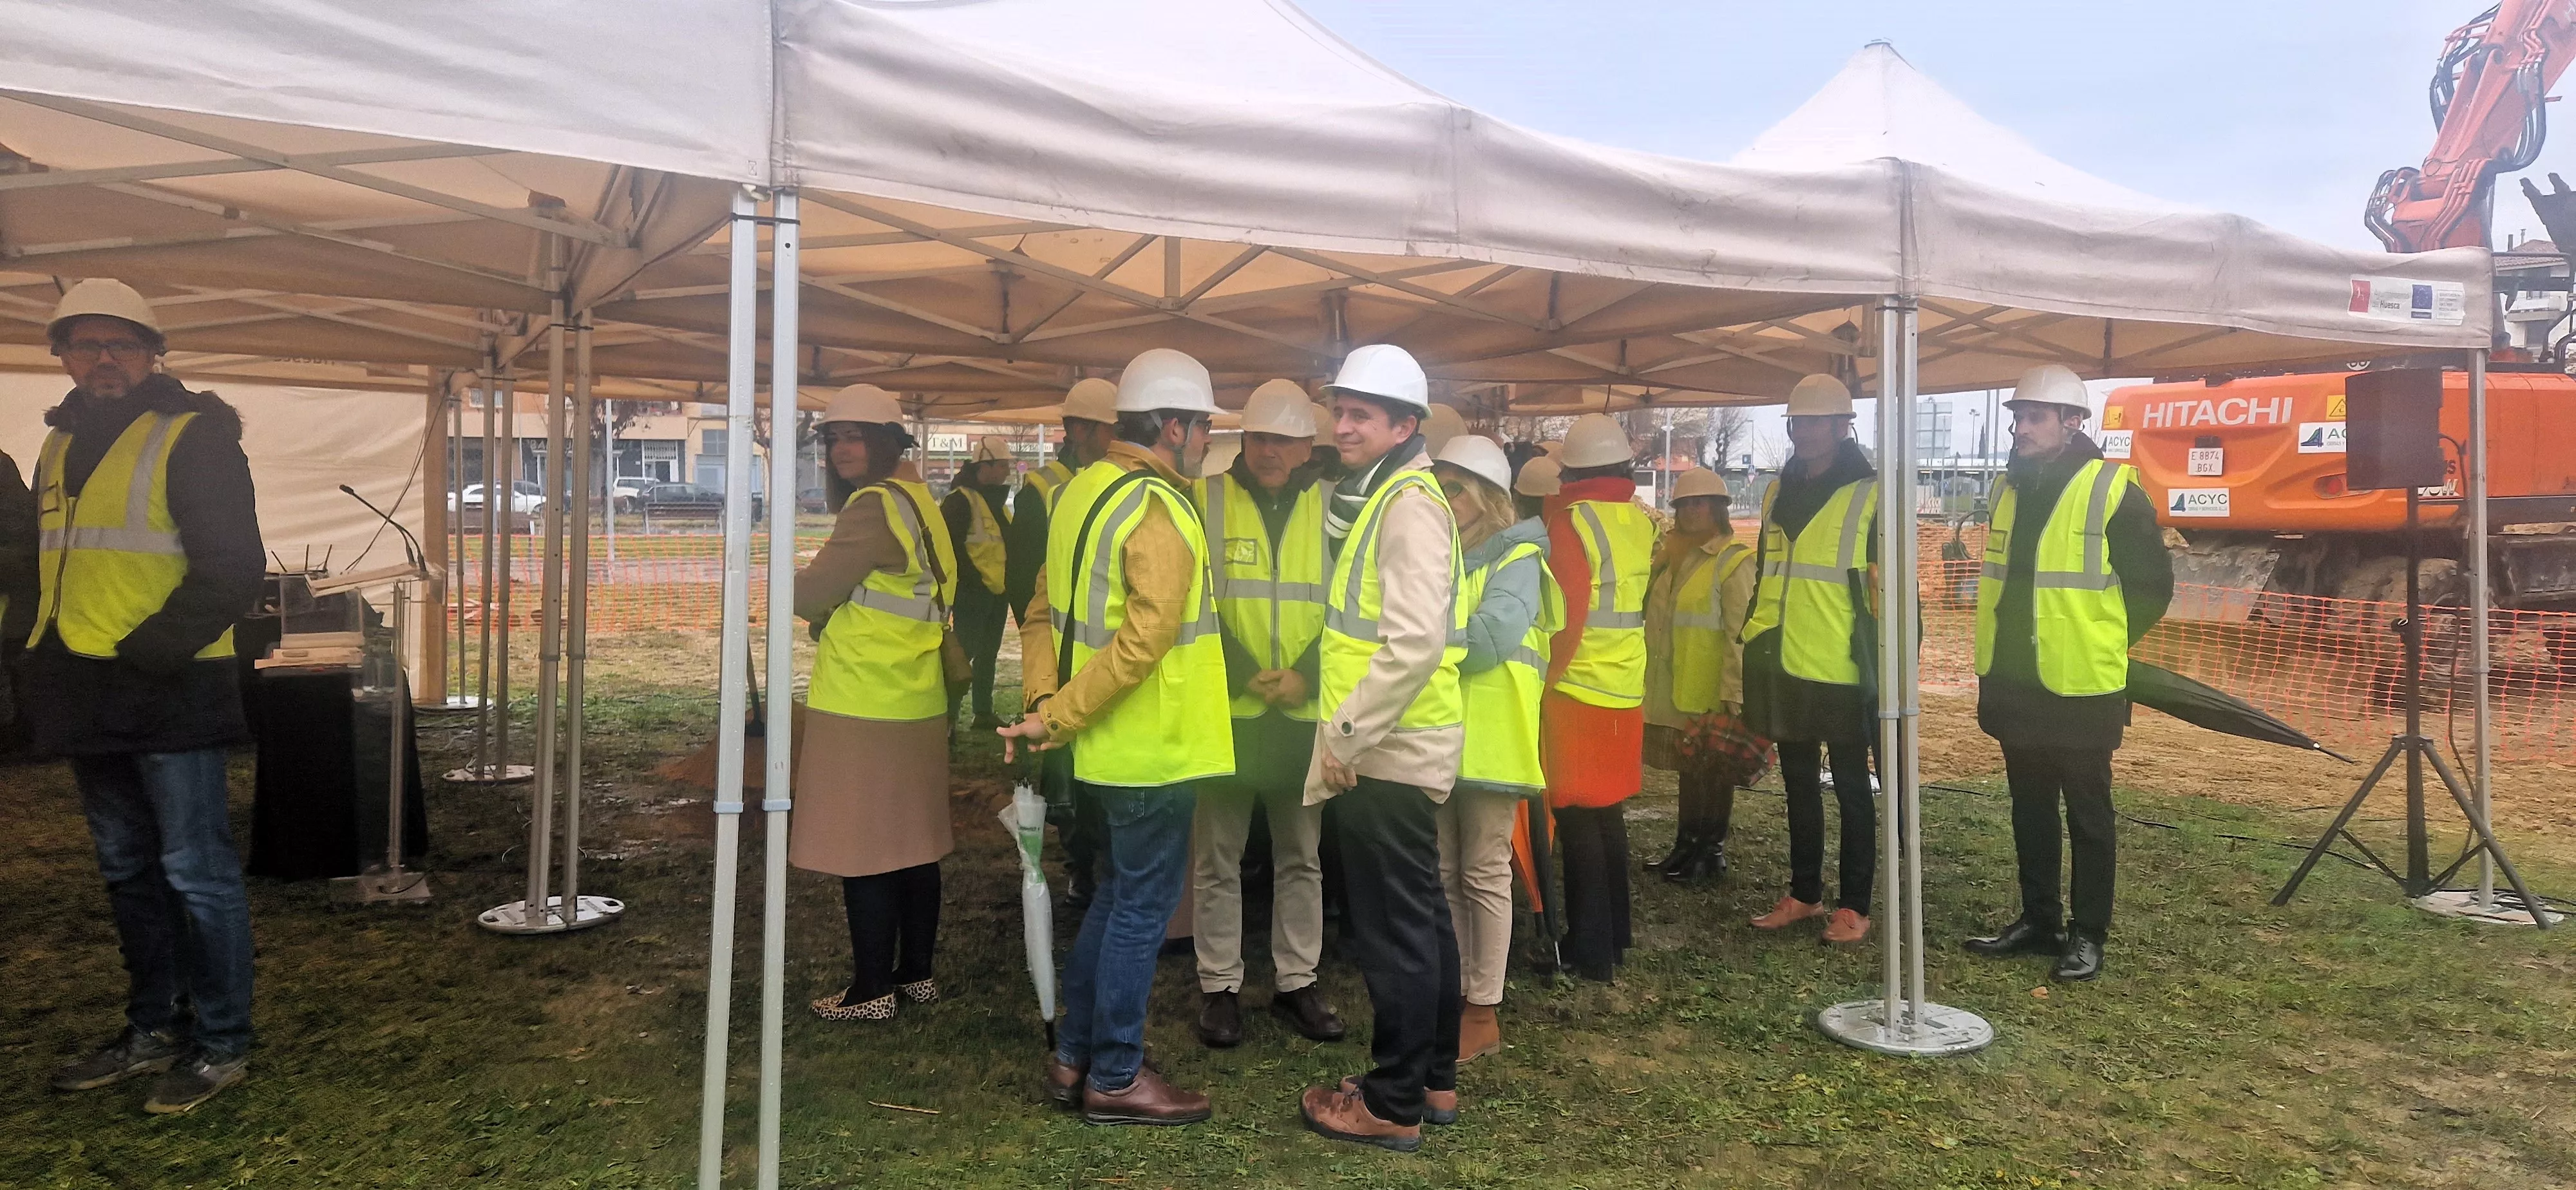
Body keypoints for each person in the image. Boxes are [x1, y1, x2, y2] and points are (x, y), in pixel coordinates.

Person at [32, 279, 265, 1114]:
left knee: (194, 872)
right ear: (60, 355)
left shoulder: (194, 437)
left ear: (151, 353)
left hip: (172, 689)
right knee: (128, 871)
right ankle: (151, 1028)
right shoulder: (58, 446)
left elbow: (233, 568)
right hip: (89, 693)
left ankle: (222, 1042)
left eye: (120, 344)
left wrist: (149, 651)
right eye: (85, 344)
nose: (103, 359)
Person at [1003, 348, 1232, 1127]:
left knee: (1112, 897)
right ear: (1172, 426)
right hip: (1152, 746)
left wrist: (1048, 705)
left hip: (1099, 747)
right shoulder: (1159, 507)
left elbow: (1040, 611)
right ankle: (1117, 1074)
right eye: (1202, 426)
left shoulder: (1080, 493)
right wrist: (1060, 714)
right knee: (1140, 908)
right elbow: (1146, 638)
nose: (1206, 441)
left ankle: (1075, 1058)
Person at [1294, 343, 1466, 1153]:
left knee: (1396, 933)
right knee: (1422, 921)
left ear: (1405, 424)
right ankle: (1431, 1079)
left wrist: (1347, 736)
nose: (1343, 424)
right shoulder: (1388, 496)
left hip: (1385, 751)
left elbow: (1413, 642)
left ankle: (1391, 1102)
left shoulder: (1404, 504)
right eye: (1341, 410)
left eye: (1362, 413)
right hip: (1401, 746)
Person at [1965, 364, 2172, 982]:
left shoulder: (2113, 489)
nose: (2021, 428)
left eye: (2034, 417)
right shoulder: (2011, 487)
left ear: (2072, 422)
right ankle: (2040, 919)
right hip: (2016, 679)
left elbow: (2152, 587)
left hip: (2083, 684)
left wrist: (2104, 638)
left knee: (2088, 813)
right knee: (2029, 805)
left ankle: (2088, 933)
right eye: (2017, 417)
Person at [790, 386, 960, 1022]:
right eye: (833, 439)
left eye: (854, 436)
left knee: (862, 850)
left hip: (863, 700)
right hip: (917, 696)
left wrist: (812, 599)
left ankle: (870, 991)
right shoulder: (921, 501)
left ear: (888, 442)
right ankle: (915, 973)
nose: (840, 450)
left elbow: (810, 597)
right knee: (913, 845)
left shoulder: (869, 508)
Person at [1186, 379, 1345, 1049]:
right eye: (1258, 438)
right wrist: (1236, 669)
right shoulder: (1205, 500)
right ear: (1241, 440)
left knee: (1300, 855)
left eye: (1282, 440)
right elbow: (1189, 597)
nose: (1268, 451)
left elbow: (1351, 604)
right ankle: (1219, 986)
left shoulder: (1338, 507)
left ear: (1308, 446)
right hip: (1229, 707)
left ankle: (1295, 982)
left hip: (1301, 709)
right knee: (1217, 856)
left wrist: (1304, 674)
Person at [1739, 374, 1880, 945]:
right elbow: (1766, 571)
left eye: (1819, 421)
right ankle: (1804, 894)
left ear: (1843, 426)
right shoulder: (1779, 490)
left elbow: (1890, 588)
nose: (1807, 431)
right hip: (1784, 656)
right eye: (1800, 422)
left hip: (1843, 664)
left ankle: (1854, 907)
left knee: (1851, 786)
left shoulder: (1872, 492)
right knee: (1798, 782)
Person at [1428, 435, 1553, 1066]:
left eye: (1453, 487)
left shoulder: (1518, 557)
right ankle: (1457, 993)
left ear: (1485, 496)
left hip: (1490, 744)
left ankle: (1482, 1009)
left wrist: (1422, 641)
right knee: (1449, 874)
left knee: (1480, 875)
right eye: (1439, 486)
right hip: (1447, 737)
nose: (1443, 498)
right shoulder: (1456, 555)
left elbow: (1490, 639)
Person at [1539, 413, 1654, 983]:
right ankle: (1615, 935)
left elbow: (1568, 615)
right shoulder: (1636, 519)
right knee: (1606, 812)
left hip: (1577, 687)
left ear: (1572, 469)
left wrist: (1543, 681)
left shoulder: (1570, 522)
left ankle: (1588, 951)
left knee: (1576, 813)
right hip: (1624, 684)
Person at [1010, 379, 1121, 907]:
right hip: (1066, 677)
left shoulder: (1138, 489)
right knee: (1070, 791)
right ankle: (1082, 870)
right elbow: (1033, 606)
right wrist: (1040, 692)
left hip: (1120, 679)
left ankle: (1105, 872)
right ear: (1082, 431)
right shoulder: (1046, 494)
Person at [1643, 468, 1763, 883]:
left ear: (1719, 509)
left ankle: (1710, 852)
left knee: (1714, 773)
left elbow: (1739, 633)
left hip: (1711, 688)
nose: (1692, 510)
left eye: (1700, 502)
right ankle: (1686, 845)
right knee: (1689, 771)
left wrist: (1734, 689)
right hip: (1676, 687)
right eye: (1684, 504)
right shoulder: (1670, 557)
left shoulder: (1734, 562)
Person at [942, 435, 1016, 730]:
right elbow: (949, 548)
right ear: (984, 466)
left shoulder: (996, 502)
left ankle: (983, 713)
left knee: (988, 654)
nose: (1007, 471)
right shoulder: (960, 501)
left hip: (996, 592)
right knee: (962, 657)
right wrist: (971, 582)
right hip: (973, 594)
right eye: (1002, 465)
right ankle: (947, 717)